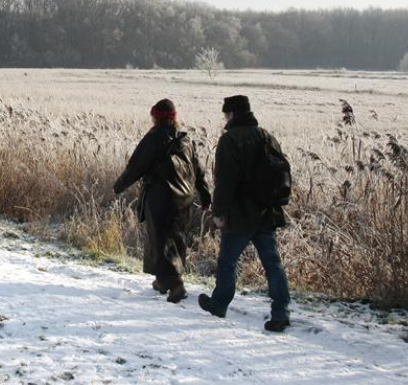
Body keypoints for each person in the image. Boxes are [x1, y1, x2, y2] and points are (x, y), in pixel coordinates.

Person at [198, 95, 292, 332]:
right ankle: (281, 312)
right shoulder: (266, 136)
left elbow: (225, 182)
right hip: (266, 212)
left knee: (228, 262)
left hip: (240, 215)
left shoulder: (230, 140)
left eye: (226, 114)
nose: (225, 118)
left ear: (232, 114)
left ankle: (219, 304)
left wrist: (218, 212)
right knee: (273, 264)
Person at [113, 98, 211, 303]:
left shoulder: (154, 138)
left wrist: (119, 186)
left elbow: (136, 166)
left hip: (160, 197)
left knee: (161, 240)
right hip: (184, 198)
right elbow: (199, 171)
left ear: (156, 118)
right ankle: (161, 280)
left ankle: (176, 285)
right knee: (175, 239)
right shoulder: (186, 140)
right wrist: (205, 195)